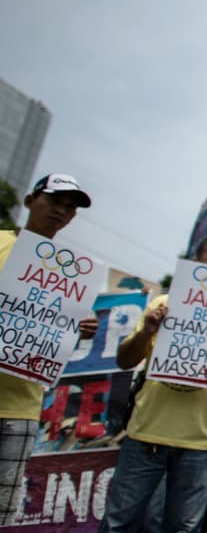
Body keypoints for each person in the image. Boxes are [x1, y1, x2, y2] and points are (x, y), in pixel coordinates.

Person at [99, 234, 207, 533]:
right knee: (119, 522)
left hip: (200, 442)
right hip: (147, 437)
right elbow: (124, 361)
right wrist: (147, 332)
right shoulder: (163, 304)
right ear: (196, 264)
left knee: (184, 528)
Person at [0, 173, 98, 525]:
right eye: (55, 200)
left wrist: (79, 326)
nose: (62, 211)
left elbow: (54, 339)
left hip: (22, 407)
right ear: (30, 201)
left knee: (4, 509)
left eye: (70, 207)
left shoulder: (71, 273)